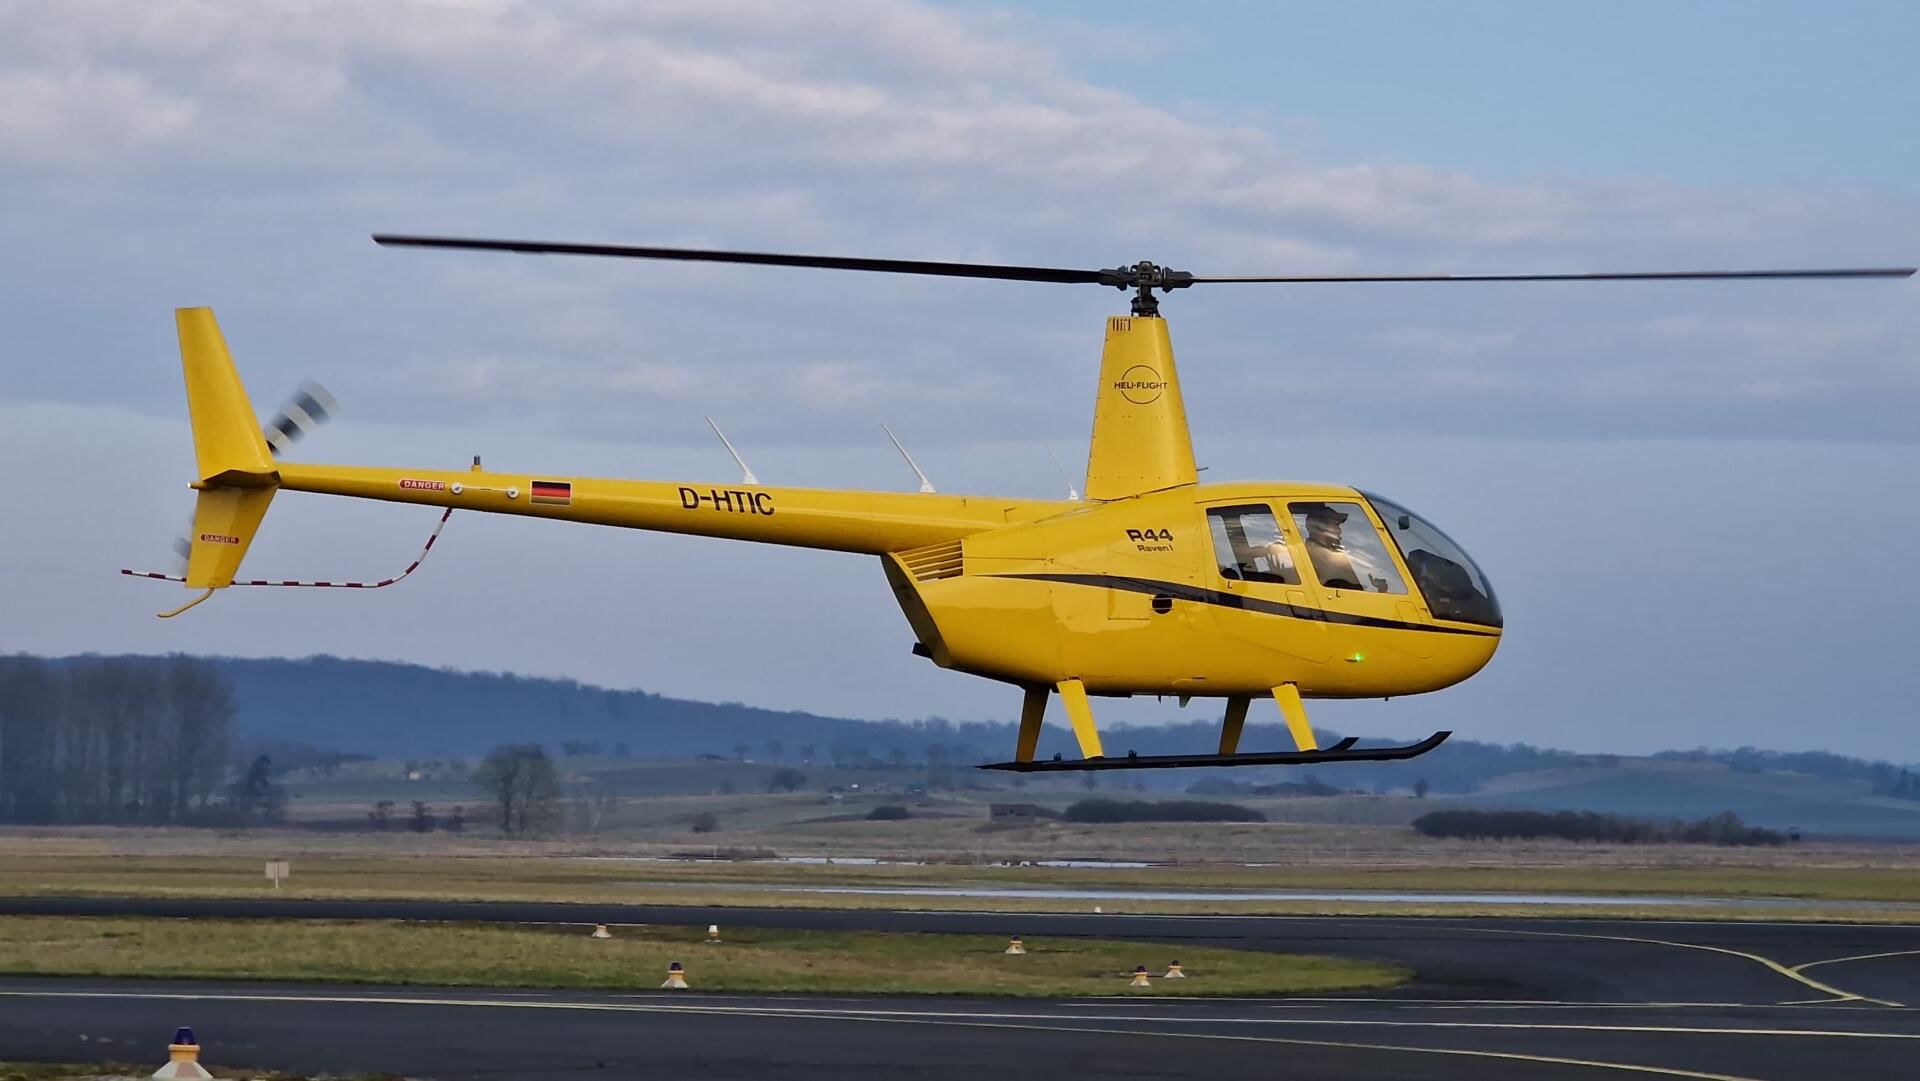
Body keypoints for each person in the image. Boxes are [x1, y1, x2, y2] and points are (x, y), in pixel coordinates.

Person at [1297, 503, 1363, 590]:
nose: (1339, 531)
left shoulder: (1334, 552)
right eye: (1335, 525)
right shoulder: (1313, 553)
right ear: (1318, 527)